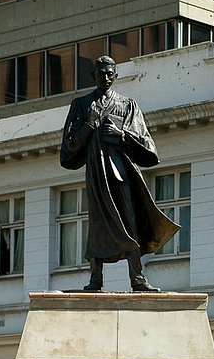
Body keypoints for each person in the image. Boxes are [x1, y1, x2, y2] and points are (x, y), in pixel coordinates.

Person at [60, 55, 179, 292]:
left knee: (129, 222)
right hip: (96, 174)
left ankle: (137, 277)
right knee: (97, 224)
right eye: (100, 72)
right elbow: (68, 147)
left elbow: (148, 147)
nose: (105, 77)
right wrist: (88, 125)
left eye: (109, 73)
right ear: (93, 75)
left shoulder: (127, 105)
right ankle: (96, 278)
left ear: (115, 76)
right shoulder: (82, 106)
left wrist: (121, 134)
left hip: (121, 174)